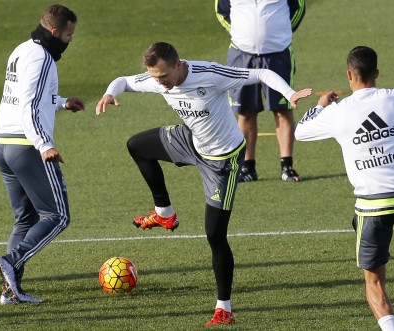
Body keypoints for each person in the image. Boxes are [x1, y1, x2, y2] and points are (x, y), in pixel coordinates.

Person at [95, 42, 311, 326]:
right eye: (154, 77)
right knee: (137, 146)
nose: (159, 83)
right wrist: (110, 92)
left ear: (178, 64)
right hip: (191, 141)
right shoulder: (158, 79)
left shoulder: (209, 74)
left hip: (223, 161)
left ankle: (224, 308)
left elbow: (259, 74)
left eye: (163, 77)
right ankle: (164, 213)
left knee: (214, 234)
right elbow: (123, 81)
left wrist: (289, 93)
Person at [295, 46, 394, 331]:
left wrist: (320, 106)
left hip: (372, 205)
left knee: (374, 281)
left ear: (349, 75)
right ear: (377, 73)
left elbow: (300, 132)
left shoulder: (338, 112)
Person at [0, 4, 85, 305]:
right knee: (58, 215)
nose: (70, 40)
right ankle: (12, 260)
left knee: (25, 219)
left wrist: (61, 103)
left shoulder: (21, 50)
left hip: (3, 145)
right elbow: (29, 106)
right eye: (69, 34)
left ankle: (11, 291)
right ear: (55, 32)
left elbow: (27, 96)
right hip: (26, 146)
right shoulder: (43, 57)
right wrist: (45, 144)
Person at [215, 0, 306, 182]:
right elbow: (221, 11)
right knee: (245, 112)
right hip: (242, 54)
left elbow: (298, 8)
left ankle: (287, 166)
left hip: (278, 52)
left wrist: (281, 34)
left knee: (283, 109)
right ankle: (247, 168)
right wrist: (240, 35)